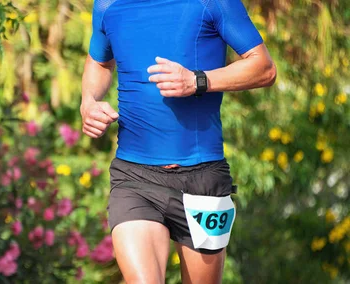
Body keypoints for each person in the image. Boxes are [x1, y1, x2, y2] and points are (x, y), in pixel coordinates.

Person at [80, 0, 276, 283]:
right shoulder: (108, 4)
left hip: (202, 179)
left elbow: (264, 68)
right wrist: (88, 101)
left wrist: (197, 80)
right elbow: (98, 61)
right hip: (134, 177)